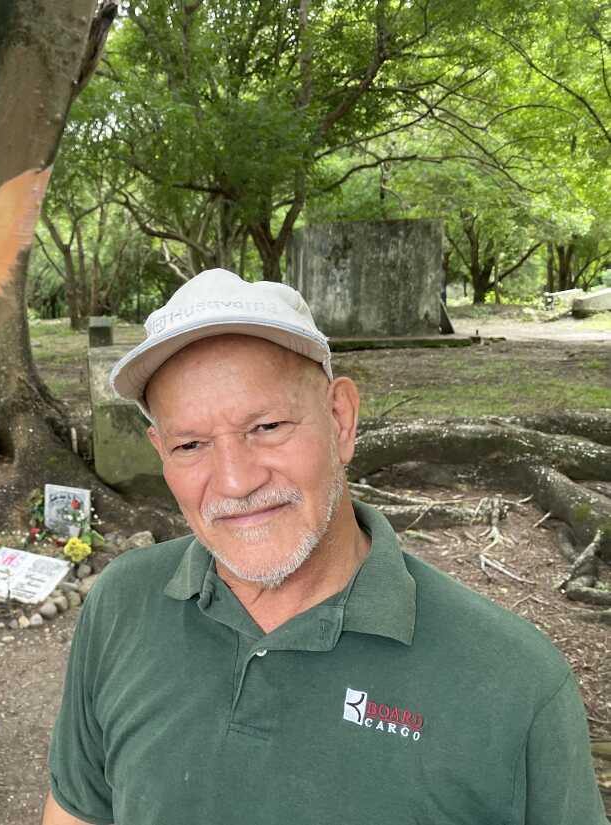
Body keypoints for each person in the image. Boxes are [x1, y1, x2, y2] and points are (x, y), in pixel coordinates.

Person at [42, 268, 608, 825]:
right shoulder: (121, 602)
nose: (236, 481)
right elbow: (78, 811)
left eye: (266, 426)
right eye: (190, 444)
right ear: (160, 451)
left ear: (340, 419)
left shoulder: (512, 682)